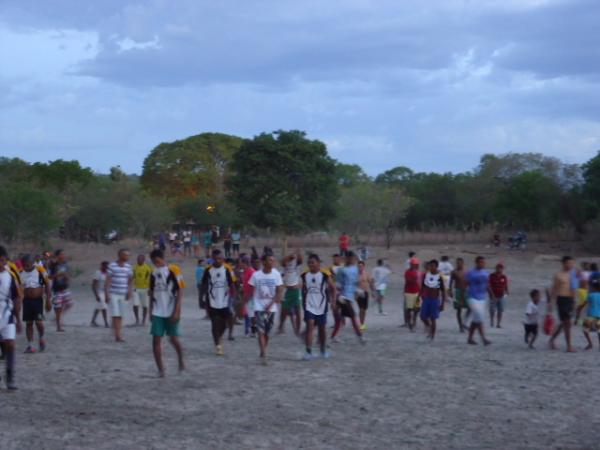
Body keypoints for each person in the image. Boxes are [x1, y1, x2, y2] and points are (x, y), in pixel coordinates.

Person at [149, 249, 185, 377]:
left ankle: (181, 359)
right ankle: (161, 369)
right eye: (153, 262)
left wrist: (177, 311)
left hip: (171, 310)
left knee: (173, 338)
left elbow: (180, 291)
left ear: (162, 258)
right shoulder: (153, 273)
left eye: (157, 261)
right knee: (155, 340)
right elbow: (151, 292)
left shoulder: (174, 269)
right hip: (157, 311)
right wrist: (150, 310)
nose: (156, 264)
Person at [248, 254, 284, 365]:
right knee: (260, 331)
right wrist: (250, 308)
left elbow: (279, 291)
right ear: (263, 262)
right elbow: (250, 292)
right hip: (259, 307)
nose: (272, 262)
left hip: (271, 308)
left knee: (267, 332)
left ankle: (262, 350)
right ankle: (264, 354)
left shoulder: (276, 274)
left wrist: (272, 303)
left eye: (273, 260)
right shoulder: (256, 275)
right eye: (269, 260)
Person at [200, 250, 237, 356]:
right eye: (215, 259)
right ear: (212, 258)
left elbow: (232, 284)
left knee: (227, 321)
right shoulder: (208, 270)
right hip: (212, 301)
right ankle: (218, 346)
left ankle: (219, 336)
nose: (217, 261)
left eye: (220, 259)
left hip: (225, 301)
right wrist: (202, 299)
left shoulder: (227, 269)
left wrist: (233, 297)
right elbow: (203, 285)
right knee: (215, 323)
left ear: (223, 258)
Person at [301, 254, 336, 360]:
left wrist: (333, 302)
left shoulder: (325, 275)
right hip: (309, 305)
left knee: (322, 329)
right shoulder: (304, 275)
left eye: (312, 262)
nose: (310, 264)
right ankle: (308, 352)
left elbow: (333, 289)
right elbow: (303, 289)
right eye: (309, 262)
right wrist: (303, 302)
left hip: (321, 305)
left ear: (318, 263)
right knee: (310, 326)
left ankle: (323, 351)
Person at [331, 252, 365, 344]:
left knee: (341, 319)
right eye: (349, 258)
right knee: (353, 317)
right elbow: (337, 284)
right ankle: (360, 337)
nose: (351, 260)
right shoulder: (342, 270)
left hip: (351, 297)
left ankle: (333, 336)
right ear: (345, 259)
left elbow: (356, 281)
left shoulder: (355, 269)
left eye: (352, 258)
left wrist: (358, 290)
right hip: (344, 297)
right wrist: (338, 295)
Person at [0, 246, 21, 389]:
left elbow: (16, 297)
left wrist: (18, 319)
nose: (1, 263)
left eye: (3, 261)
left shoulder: (10, 276)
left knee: (11, 344)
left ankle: (10, 377)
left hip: (7, 314)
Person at [20, 255, 51, 354]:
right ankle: (30, 346)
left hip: (38, 301)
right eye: (24, 265)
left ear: (32, 263)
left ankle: (41, 337)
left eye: (28, 265)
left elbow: (47, 285)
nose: (26, 267)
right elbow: (19, 288)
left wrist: (48, 300)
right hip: (27, 302)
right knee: (29, 323)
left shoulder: (40, 270)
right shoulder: (21, 273)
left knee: (39, 322)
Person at [549, 256, 577, 352]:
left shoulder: (573, 275)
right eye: (569, 263)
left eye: (572, 263)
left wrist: (574, 301)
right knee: (567, 322)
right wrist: (550, 302)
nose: (571, 265)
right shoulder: (558, 275)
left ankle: (552, 339)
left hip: (570, 300)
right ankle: (569, 346)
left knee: (564, 323)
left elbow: (574, 289)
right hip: (561, 299)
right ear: (564, 263)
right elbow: (554, 288)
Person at [105, 249, 133, 343]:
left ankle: (116, 332)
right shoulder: (112, 266)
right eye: (125, 255)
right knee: (115, 314)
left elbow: (130, 280)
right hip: (113, 293)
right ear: (120, 255)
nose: (127, 257)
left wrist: (129, 291)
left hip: (123, 293)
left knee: (120, 315)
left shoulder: (128, 267)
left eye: (128, 255)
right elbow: (108, 280)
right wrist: (106, 293)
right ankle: (118, 335)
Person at [465, 256, 491, 346]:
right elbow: (465, 284)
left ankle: (470, 338)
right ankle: (483, 338)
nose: (482, 264)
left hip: (482, 298)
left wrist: (492, 295)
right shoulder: (470, 272)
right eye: (480, 262)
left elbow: (487, 285)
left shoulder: (485, 273)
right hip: (472, 297)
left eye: (483, 262)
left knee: (476, 318)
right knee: (479, 316)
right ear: (476, 263)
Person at [279, 250, 303, 336]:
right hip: (286, 289)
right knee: (284, 311)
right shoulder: (285, 264)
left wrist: (296, 254)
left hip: (296, 289)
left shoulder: (297, 263)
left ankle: (298, 330)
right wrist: (289, 256)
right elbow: (282, 261)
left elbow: (300, 258)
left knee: (298, 311)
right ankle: (281, 327)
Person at [419, 259, 446, 340]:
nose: (431, 267)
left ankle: (432, 336)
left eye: (433, 266)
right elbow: (422, 287)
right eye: (430, 266)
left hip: (435, 299)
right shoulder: (426, 275)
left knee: (433, 318)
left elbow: (443, 291)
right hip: (426, 298)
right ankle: (429, 327)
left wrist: (442, 304)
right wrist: (419, 297)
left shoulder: (439, 277)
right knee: (422, 316)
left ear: (436, 267)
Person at [48, 249, 72, 332]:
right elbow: (49, 277)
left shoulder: (66, 264)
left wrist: (67, 278)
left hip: (65, 288)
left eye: (64, 254)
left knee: (69, 304)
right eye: (61, 254)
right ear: (57, 256)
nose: (63, 256)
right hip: (56, 289)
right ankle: (58, 326)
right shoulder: (53, 265)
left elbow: (68, 275)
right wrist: (58, 275)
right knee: (58, 308)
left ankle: (56, 319)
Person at [449, 258, 469, 332]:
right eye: (457, 263)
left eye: (460, 263)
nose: (459, 264)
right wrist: (450, 291)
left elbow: (468, 282)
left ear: (463, 263)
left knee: (469, 307)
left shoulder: (466, 272)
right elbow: (450, 282)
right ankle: (460, 327)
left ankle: (464, 322)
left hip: (465, 291)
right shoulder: (454, 272)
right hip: (457, 291)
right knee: (459, 310)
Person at [241, 255, 258, 337]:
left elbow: (254, 285)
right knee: (246, 313)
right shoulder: (245, 272)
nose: (241, 265)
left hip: (251, 296)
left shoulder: (252, 272)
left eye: (242, 264)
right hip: (246, 294)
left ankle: (251, 331)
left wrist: (250, 296)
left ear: (246, 263)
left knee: (250, 314)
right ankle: (248, 330)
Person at [132, 254, 152, 326]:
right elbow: (133, 277)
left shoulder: (147, 268)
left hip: (145, 288)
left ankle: (143, 320)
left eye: (140, 259)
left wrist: (150, 288)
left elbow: (151, 279)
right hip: (136, 288)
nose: (138, 261)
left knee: (145, 305)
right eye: (137, 259)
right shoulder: (134, 267)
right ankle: (137, 320)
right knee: (135, 304)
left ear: (143, 260)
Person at [489, 263, 509, 328]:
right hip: (493, 295)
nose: (499, 269)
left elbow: (505, 285)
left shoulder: (504, 277)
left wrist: (507, 291)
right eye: (498, 268)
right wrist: (491, 294)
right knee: (492, 310)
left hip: (501, 296)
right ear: (496, 268)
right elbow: (489, 286)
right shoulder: (491, 276)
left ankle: (498, 323)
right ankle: (492, 321)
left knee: (500, 310)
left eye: (501, 268)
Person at [582, 279, 600, 350]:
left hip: (590, 316)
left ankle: (590, 344)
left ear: (593, 287)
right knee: (599, 331)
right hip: (599, 316)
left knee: (585, 330)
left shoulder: (590, 295)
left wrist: (579, 309)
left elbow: (584, 304)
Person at [403, 258, 421, 331]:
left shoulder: (418, 272)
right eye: (415, 264)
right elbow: (409, 281)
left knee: (417, 308)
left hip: (417, 292)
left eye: (417, 264)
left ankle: (414, 322)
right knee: (409, 309)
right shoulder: (408, 272)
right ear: (411, 264)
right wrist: (416, 278)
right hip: (409, 292)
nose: (417, 265)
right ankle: (410, 323)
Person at [356, 261, 374, 331]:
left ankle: (362, 323)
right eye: (359, 266)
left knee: (364, 309)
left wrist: (373, 292)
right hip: (358, 293)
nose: (360, 267)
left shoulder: (366, 274)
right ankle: (360, 324)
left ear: (364, 266)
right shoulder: (355, 275)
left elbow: (370, 283)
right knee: (361, 309)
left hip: (365, 293)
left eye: (361, 266)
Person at [91, 261, 110, 328]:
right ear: (102, 266)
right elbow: (93, 285)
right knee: (104, 307)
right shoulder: (98, 273)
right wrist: (96, 295)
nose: (107, 267)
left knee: (99, 307)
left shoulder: (108, 273)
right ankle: (106, 323)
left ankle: (93, 321)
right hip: (99, 292)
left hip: (106, 292)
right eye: (105, 266)